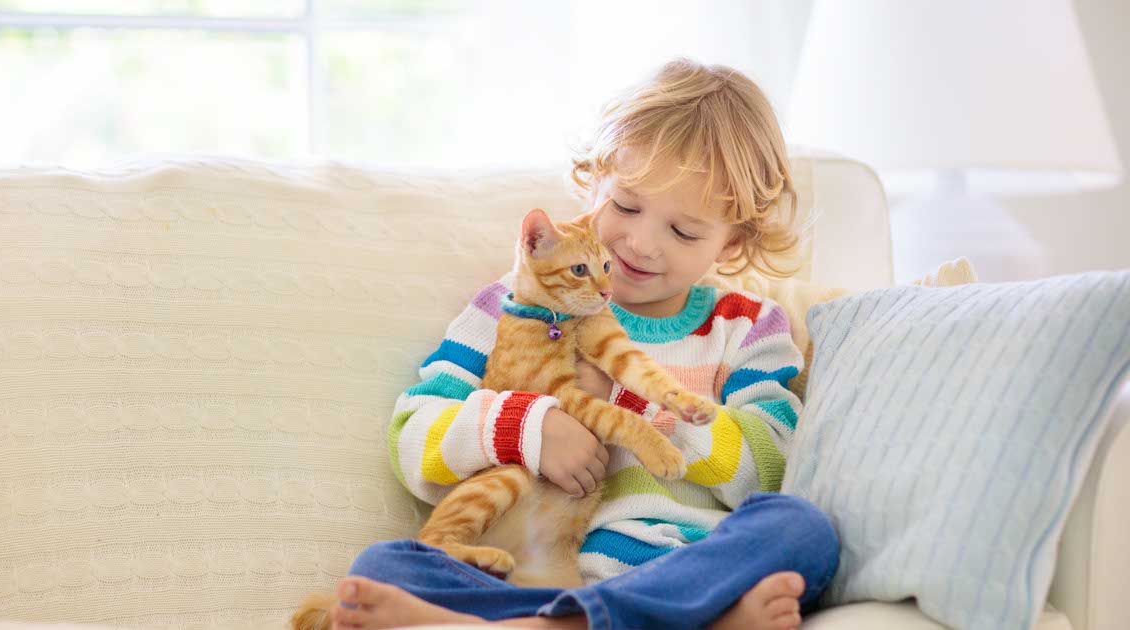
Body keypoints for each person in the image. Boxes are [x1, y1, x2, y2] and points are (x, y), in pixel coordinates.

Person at [331, 59, 838, 630]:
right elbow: (413, 435)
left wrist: (637, 406)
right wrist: (534, 426)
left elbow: (770, 466)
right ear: (593, 181)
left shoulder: (748, 325)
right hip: (539, 578)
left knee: (802, 528)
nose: (640, 244)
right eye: (625, 205)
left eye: (684, 231)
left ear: (731, 242)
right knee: (383, 567)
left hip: (690, 572)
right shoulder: (514, 300)